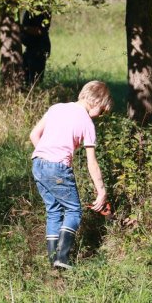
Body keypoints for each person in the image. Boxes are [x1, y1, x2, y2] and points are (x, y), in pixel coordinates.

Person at [29, 80, 113, 269]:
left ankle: (53, 260)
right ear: (97, 102)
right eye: (101, 111)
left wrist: (47, 156)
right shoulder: (86, 122)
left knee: (53, 211)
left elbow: (34, 135)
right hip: (57, 167)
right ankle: (62, 257)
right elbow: (92, 162)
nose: (100, 116)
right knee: (74, 210)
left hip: (38, 164)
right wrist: (101, 191)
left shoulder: (56, 108)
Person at [21, 8, 51, 86]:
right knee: (25, 76)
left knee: (35, 80)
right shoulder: (29, 9)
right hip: (30, 48)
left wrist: (22, 28)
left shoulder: (44, 10)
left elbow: (40, 30)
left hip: (40, 48)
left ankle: (34, 91)